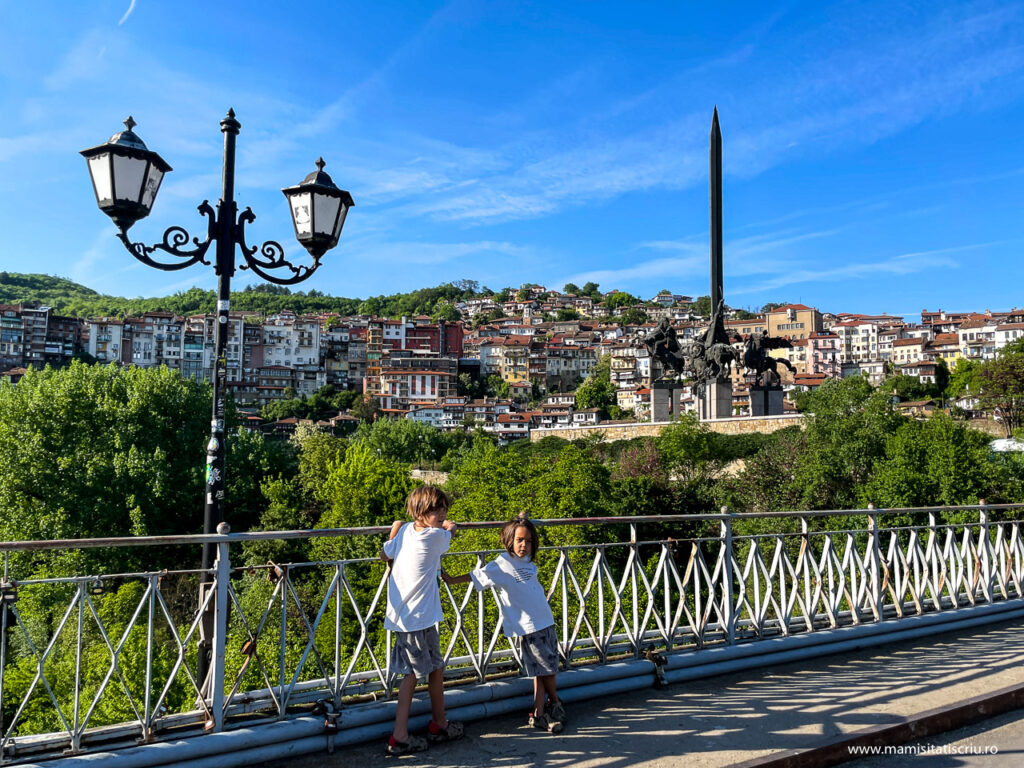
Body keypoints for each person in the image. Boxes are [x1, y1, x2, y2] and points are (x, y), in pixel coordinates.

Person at [443, 516, 567, 733]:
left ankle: (544, 710)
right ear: (509, 540)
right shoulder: (501, 564)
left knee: (546, 669)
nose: (524, 546)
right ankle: (548, 708)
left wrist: (523, 518)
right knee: (543, 670)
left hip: (546, 621)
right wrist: (452, 580)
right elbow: (477, 576)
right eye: (519, 540)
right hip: (529, 625)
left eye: (528, 541)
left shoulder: (528, 562)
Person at [380, 485, 465, 755]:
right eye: (435, 510)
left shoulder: (406, 531)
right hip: (416, 618)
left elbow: (385, 554)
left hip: (413, 616)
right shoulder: (434, 537)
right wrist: (451, 526)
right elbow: (449, 533)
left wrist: (395, 527)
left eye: (443, 509)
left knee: (435, 666)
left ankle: (439, 723)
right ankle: (400, 736)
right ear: (420, 511)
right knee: (411, 675)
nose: (442, 514)